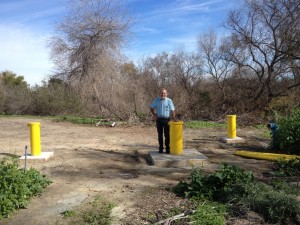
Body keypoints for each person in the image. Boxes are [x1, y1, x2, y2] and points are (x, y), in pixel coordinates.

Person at [150, 88, 176, 154]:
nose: (163, 94)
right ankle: (161, 148)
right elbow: (151, 107)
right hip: (159, 119)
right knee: (160, 135)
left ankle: (167, 149)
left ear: (166, 94)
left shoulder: (169, 100)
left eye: (164, 93)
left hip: (167, 120)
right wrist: (154, 115)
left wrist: (173, 118)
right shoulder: (157, 100)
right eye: (162, 93)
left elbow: (173, 110)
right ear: (160, 94)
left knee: (167, 135)